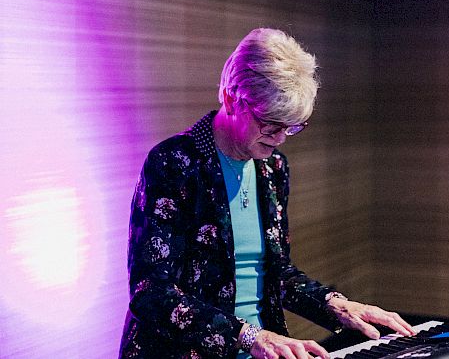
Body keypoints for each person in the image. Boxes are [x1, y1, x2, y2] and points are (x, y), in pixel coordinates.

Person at [119, 28, 415, 359]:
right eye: (271, 124)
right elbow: (152, 292)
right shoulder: (175, 163)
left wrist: (338, 306)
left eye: (291, 126)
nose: (280, 138)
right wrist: (249, 336)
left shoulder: (273, 168)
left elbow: (277, 273)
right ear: (232, 98)